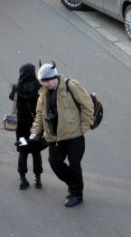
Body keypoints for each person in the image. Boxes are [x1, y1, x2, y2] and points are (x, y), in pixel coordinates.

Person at [29, 63, 94, 208]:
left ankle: (76, 194)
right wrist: (34, 132)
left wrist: (86, 124)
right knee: (54, 162)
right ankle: (74, 185)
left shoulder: (71, 85)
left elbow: (87, 104)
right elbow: (40, 114)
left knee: (74, 165)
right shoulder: (43, 94)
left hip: (74, 135)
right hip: (55, 137)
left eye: (47, 81)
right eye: (43, 82)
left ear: (55, 77)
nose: (45, 84)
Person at [10, 63, 43, 189]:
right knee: (36, 152)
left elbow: (11, 98)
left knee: (23, 152)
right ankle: (38, 178)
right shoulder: (39, 87)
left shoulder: (17, 88)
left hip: (22, 127)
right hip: (36, 126)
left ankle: (23, 180)